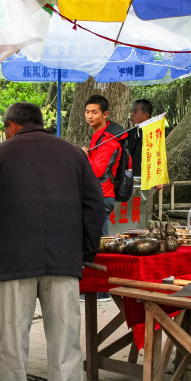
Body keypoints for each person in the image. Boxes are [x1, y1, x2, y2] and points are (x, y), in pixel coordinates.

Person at [0, 102, 103, 381]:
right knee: (65, 338)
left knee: (12, 339)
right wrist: (84, 250)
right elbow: (94, 206)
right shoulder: (75, 154)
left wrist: (1, 240)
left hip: (16, 258)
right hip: (64, 257)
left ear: (12, 126)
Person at [82, 94, 125, 302]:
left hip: (103, 196)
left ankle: (104, 288)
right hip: (94, 196)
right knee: (93, 241)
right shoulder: (97, 137)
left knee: (102, 243)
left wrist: (85, 157)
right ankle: (95, 285)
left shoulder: (109, 141)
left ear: (105, 114)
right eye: (87, 112)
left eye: (94, 112)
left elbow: (98, 170)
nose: (89, 116)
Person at [129, 98, 152, 177]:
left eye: (135, 111)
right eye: (131, 111)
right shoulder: (129, 133)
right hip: (130, 178)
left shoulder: (153, 135)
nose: (132, 114)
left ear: (146, 115)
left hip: (148, 179)